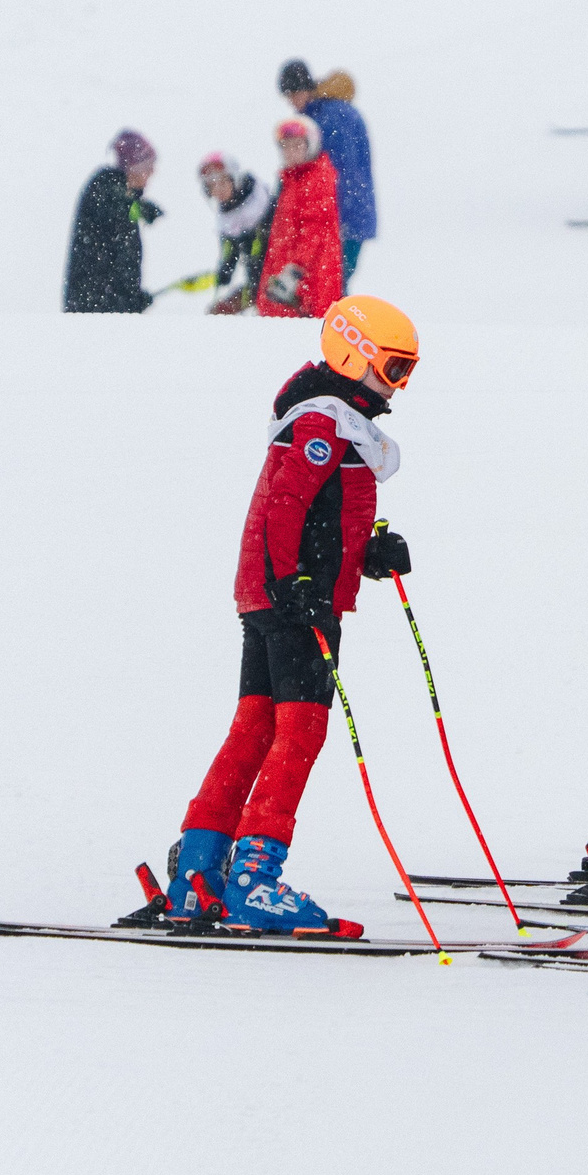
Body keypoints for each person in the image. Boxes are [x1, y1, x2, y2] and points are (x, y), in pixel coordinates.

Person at [152, 295, 421, 934]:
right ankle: (253, 880)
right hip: (293, 602)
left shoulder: (334, 420)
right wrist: (295, 582)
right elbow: (286, 508)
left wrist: (369, 555)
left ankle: (200, 872)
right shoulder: (323, 423)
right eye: (392, 369)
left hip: (275, 595)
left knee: (256, 727)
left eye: (406, 372)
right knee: (299, 731)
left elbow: (325, 520)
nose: (398, 386)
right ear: (354, 353)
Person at [277, 61, 377, 281]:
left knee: (329, 281)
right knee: (329, 280)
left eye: (294, 94)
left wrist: (329, 213)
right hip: (346, 213)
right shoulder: (326, 112)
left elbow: (342, 171)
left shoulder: (329, 115)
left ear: (306, 89)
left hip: (342, 213)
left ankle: (342, 316)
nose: (292, 102)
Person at [64, 131, 163, 313]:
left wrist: (133, 297)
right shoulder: (104, 185)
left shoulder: (122, 196)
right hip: (92, 310)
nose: (152, 172)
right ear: (131, 167)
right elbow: (116, 209)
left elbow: (123, 260)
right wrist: (140, 208)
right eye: (147, 165)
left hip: (107, 309)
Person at [259, 117, 343, 319]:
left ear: (310, 146)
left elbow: (316, 227)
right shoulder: (291, 179)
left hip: (308, 275)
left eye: (297, 145)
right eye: (285, 146)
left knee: (304, 330)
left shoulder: (317, 177)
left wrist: (295, 270)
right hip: (286, 270)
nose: (290, 151)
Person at [198, 151, 275, 313]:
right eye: (211, 185)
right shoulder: (228, 220)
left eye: (222, 182)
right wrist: (222, 275)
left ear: (235, 178)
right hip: (257, 286)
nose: (217, 190)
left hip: (278, 285)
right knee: (217, 311)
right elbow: (229, 259)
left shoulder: (265, 205)